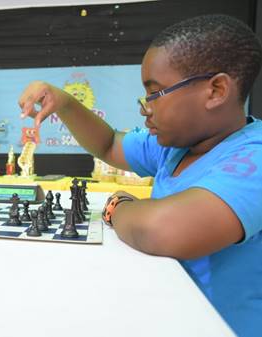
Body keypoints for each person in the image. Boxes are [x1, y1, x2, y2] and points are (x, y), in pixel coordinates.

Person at [19, 14, 262, 337]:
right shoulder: (174, 146)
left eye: (155, 93)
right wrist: (62, 102)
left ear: (216, 90)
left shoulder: (254, 156)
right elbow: (108, 144)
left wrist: (118, 206)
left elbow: (162, 229)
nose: (145, 109)